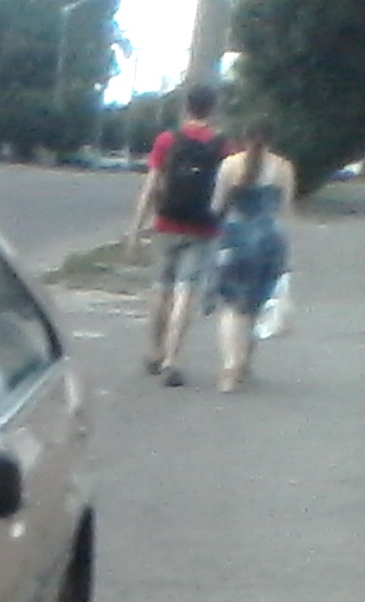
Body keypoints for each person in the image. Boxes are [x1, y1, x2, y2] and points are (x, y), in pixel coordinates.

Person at [125, 82, 226, 387]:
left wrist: (135, 227)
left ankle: (154, 352)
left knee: (161, 288)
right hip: (202, 226)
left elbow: (151, 185)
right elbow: (227, 186)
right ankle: (173, 360)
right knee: (186, 291)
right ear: (213, 108)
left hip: (167, 223)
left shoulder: (167, 140)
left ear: (186, 107)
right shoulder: (222, 144)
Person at [208, 121, 296, 392]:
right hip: (269, 239)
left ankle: (229, 366)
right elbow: (286, 210)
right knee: (257, 303)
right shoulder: (283, 168)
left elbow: (217, 206)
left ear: (244, 138)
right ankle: (245, 362)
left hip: (235, 237)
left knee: (230, 305)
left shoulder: (230, 165)